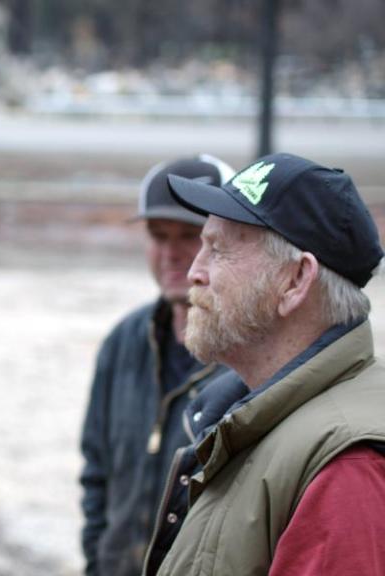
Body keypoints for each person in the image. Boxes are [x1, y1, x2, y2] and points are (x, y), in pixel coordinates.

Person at [145, 152, 385, 575]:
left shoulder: (348, 465)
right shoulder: (245, 420)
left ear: (294, 281)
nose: (194, 273)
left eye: (217, 250)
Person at [79, 154, 236, 576]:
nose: (170, 252)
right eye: (157, 234)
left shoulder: (252, 359)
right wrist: (97, 561)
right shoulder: (123, 342)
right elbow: (97, 473)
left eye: (189, 234)